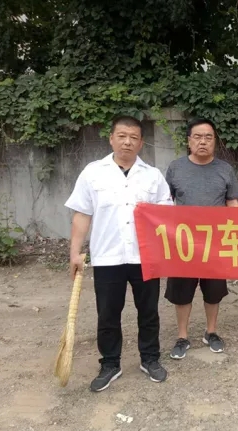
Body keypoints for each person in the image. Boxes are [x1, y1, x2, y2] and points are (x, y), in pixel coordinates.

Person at [65, 115, 173, 392]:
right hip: (107, 257)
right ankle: (110, 363)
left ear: (141, 143)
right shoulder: (93, 173)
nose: (127, 142)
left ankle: (150, 359)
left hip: (144, 258)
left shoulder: (153, 176)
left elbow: (166, 216)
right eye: (122, 136)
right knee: (108, 314)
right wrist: (75, 253)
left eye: (133, 137)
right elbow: (82, 214)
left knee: (148, 312)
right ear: (111, 138)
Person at [165, 118, 238, 359]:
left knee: (214, 291)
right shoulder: (176, 168)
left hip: (215, 243)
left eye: (208, 137)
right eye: (197, 137)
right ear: (189, 141)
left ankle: (212, 331)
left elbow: (232, 202)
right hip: (183, 243)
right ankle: (182, 336)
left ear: (214, 141)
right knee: (182, 292)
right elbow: (165, 204)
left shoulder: (224, 169)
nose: (203, 141)